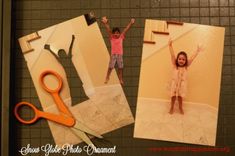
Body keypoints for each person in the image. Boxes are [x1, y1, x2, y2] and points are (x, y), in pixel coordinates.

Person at [44, 35, 89, 106]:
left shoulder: (67, 57)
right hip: (70, 75)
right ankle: (76, 99)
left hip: (74, 74)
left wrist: (72, 40)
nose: (62, 53)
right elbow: (55, 55)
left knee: (77, 85)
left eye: (63, 52)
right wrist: (49, 49)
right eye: (61, 53)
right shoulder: (62, 60)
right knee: (73, 87)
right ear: (60, 54)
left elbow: (70, 48)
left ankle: (82, 97)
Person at [168, 38, 203, 114]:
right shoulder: (175, 65)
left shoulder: (186, 66)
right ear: (177, 59)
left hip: (182, 85)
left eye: (183, 59)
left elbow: (192, 58)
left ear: (185, 61)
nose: (181, 60)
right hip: (174, 84)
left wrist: (197, 51)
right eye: (179, 59)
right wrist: (170, 46)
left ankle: (180, 107)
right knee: (173, 96)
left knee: (180, 96)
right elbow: (172, 55)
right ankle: (172, 107)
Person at [101, 16, 135, 85]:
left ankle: (120, 79)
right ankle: (107, 77)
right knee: (110, 67)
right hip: (113, 54)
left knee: (120, 67)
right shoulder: (112, 37)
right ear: (113, 33)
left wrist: (131, 23)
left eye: (117, 33)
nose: (116, 34)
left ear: (119, 33)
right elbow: (108, 29)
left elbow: (126, 29)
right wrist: (105, 23)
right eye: (115, 33)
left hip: (120, 54)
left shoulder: (121, 37)